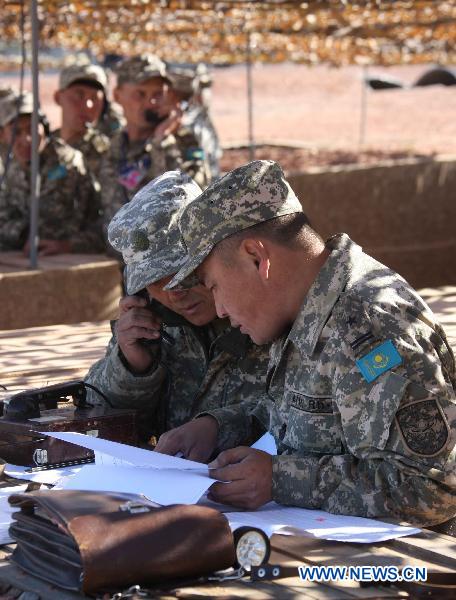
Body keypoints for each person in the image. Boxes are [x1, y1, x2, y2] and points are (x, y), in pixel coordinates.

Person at [164, 159, 456, 527]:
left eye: (214, 286)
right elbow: (310, 419)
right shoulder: (297, 309)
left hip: (409, 572)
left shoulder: (369, 326)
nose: (219, 308)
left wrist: (282, 480)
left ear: (257, 258)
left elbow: (434, 489)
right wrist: (218, 427)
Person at [85, 170, 269, 450]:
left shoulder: (268, 310)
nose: (174, 293)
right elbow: (94, 415)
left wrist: (218, 426)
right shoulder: (152, 320)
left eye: (183, 274)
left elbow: (310, 416)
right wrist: (131, 367)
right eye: (155, 282)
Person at [98, 55, 210, 233]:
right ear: (117, 95)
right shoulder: (111, 146)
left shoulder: (184, 141)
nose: (151, 103)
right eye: (140, 94)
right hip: (117, 256)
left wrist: (162, 142)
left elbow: (191, 200)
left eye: (158, 94)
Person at [0, 91, 104, 254]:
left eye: (31, 128)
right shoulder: (11, 166)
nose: (26, 139)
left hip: (73, 256)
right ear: (2, 135)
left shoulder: (66, 163)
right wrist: (20, 233)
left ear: (44, 126)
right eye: (16, 132)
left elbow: (50, 227)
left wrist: (66, 245)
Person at [53, 63, 110, 178]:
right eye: (79, 95)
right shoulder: (45, 146)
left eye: (95, 98)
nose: (88, 105)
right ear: (58, 98)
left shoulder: (107, 152)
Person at [166, 63, 222, 180]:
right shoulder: (184, 122)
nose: (205, 94)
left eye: (207, 87)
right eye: (201, 88)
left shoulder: (202, 118)